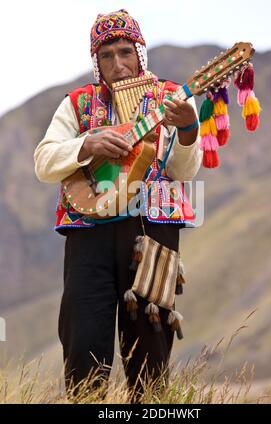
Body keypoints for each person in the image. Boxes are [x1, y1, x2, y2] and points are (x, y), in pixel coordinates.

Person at [34, 9, 202, 401]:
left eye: (126, 52)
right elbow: (44, 161)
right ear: (96, 61)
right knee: (83, 341)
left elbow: (183, 172)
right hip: (89, 233)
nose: (118, 65)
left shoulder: (171, 98)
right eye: (106, 55)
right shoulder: (77, 104)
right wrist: (85, 145)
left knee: (151, 349)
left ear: (140, 53)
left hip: (153, 233)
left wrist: (189, 129)